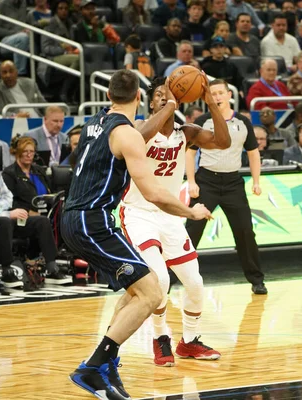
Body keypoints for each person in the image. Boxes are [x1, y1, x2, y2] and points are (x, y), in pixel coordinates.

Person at [62, 70, 212, 400]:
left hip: (77, 217)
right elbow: (155, 193)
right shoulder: (127, 134)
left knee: (136, 291)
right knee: (152, 292)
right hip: (92, 221)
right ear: (139, 98)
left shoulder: (94, 122)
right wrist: (192, 211)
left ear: (107, 96)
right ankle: (92, 366)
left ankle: (108, 364)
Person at [121, 75, 230, 367]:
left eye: (167, 95)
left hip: (169, 214)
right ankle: (160, 338)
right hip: (138, 213)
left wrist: (211, 105)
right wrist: (169, 105)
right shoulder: (135, 130)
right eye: (157, 95)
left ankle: (190, 342)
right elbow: (142, 135)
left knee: (195, 283)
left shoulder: (186, 133)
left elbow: (223, 141)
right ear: (149, 101)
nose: (162, 98)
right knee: (160, 280)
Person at [186, 79, 268, 295]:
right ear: (207, 98)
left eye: (221, 93)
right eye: (213, 94)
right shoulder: (202, 121)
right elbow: (190, 152)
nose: (217, 97)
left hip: (233, 183)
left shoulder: (243, 122)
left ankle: (257, 280)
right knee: (191, 231)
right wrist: (192, 182)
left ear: (229, 95)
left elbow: (253, 153)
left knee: (245, 233)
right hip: (206, 182)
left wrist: (256, 181)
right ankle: (171, 278)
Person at [2, 136, 68, 284]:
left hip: (44, 212)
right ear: (17, 152)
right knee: (42, 222)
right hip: (20, 218)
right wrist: (27, 210)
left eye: (31, 151)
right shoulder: (9, 174)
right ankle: (51, 266)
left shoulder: (39, 171)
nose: (28, 154)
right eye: (25, 151)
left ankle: (67, 258)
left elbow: (51, 192)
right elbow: (7, 201)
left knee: (64, 216)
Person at [0, 0, 30, 76]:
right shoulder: (1, 4)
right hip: (3, 42)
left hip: (20, 37)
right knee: (22, 38)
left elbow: (21, 25)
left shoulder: (23, 3)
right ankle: (19, 75)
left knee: (31, 38)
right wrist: (17, 32)